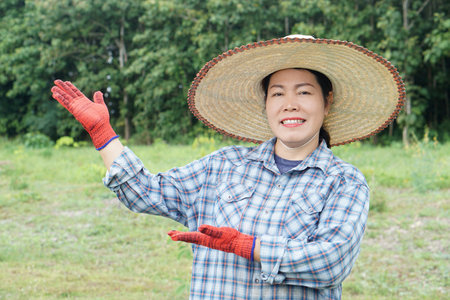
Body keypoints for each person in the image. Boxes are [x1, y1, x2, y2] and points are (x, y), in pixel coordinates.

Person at [51, 35, 405, 299]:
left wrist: (249, 246)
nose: (290, 104)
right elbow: (146, 192)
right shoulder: (224, 165)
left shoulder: (345, 182)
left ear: (326, 103)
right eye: (278, 93)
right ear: (266, 104)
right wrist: (103, 133)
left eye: (305, 92)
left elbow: (332, 261)